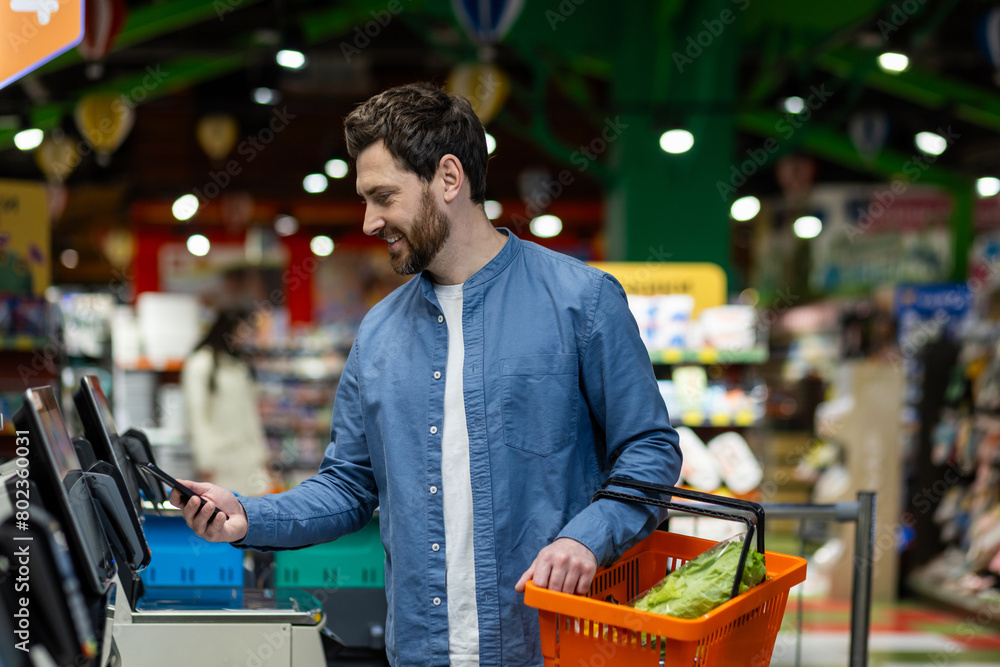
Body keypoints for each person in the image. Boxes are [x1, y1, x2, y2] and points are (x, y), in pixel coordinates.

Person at [173, 83, 681, 666]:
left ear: (447, 177)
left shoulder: (582, 302)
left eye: (383, 196)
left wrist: (584, 536)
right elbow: (348, 485)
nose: (368, 221)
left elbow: (649, 450)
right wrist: (246, 515)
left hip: (549, 645)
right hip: (421, 648)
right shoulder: (379, 333)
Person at [180, 308, 272, 496]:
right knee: (222, 514)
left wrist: (262, 454)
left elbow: (250, 414)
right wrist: (205, 461)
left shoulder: (239, 365)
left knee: (254, 513)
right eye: (242, 330)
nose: (246, 337)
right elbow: (197, 415)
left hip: (248, 459)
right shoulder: (201, 363)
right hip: (220, 461)